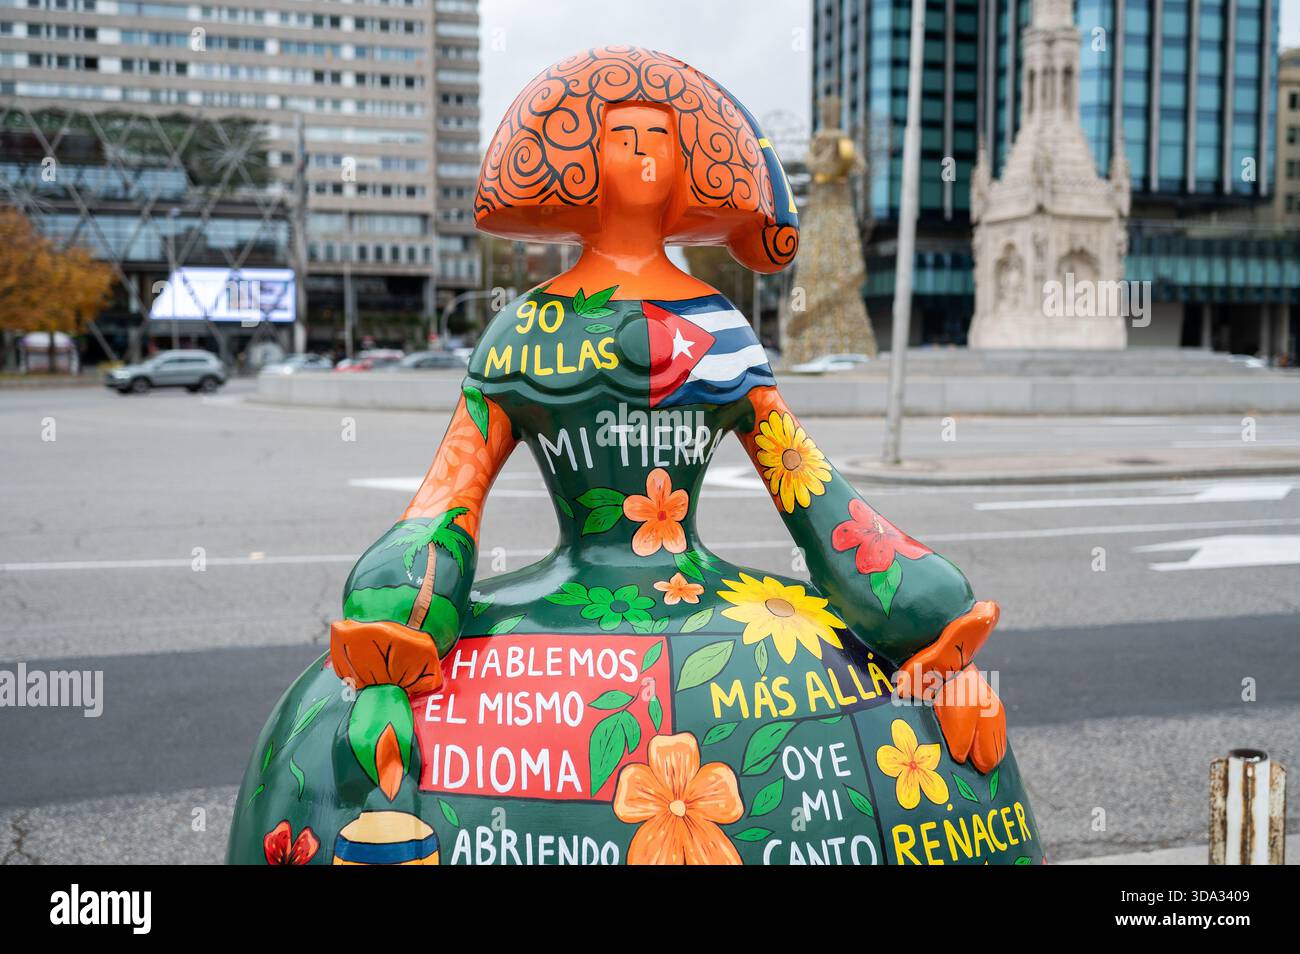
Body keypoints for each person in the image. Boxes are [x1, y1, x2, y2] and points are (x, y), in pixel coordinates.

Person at [228, 46, 1042, 866]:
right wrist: (392, 647)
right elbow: (448, 500)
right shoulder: (527, 331)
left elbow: (812, 492)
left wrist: (929, 641)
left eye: (662, 135)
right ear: (582, 159)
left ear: (694, 165)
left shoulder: (722, 329)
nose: (645, 149)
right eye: (623, 136)